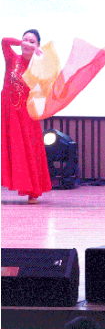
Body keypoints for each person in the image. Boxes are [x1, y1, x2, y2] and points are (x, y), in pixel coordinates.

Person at [1, 29, 51, 203]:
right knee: (9, 150)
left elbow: (45, 89)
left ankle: (33, 191)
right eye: (25, 40)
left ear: (38, 45)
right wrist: (23, 43)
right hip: (8, 111)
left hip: (27, 112)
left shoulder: (38, 67)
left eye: (32, 41)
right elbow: (4, 41)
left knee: (29, 149)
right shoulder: (12, 58)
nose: (27, 43)